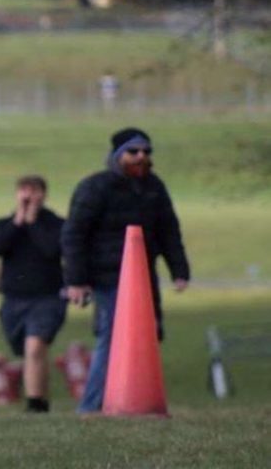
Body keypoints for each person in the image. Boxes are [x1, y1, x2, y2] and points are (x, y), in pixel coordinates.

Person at [61, 127, 190, 414]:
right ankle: (91, 407)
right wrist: (76, 281)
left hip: (144, 278)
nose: (141, 156)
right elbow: (74, 235)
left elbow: (169, 230)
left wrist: (179, 270)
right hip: (107, 278)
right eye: (133, 151)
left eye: (146, 151)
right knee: (113, 339)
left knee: (149, 334)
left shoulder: (155, 187)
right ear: (118, 155)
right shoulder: (95, 187)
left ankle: (137, 400)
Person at [0, 175, 65, 413]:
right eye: (24, 190)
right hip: (13, 300)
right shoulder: (5, 225)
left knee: (35, 347)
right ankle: (40, 396)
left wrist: (33, 222)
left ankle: (35, 404)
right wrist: (19, 221)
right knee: (27, 351)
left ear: (44, 194)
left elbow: (52, 249)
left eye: (34, 190)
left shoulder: (55, 224)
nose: (29, 195)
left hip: (47, 298)